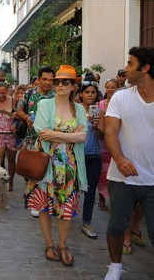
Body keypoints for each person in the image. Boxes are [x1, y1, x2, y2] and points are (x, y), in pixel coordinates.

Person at [27, 65, 87, 266]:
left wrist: (57, 134)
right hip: (47, 164)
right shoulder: (45, 104)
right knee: (44, 206)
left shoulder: (78, 109)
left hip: (69, 166)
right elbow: (41, 131)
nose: (60, 85)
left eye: (65, 82)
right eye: (57, 81)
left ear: (73, 86)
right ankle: (49, 244)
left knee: (66, 207)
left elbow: (83, 136)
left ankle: (62, 244)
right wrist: (71, 136)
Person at [104, 46, 154, 280]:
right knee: (116, 226)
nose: (125, 69)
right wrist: (120, 159)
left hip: (152, 180)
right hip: (121, 177)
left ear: (145, 69)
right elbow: (110, 132)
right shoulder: (121, 97)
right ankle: (115, 267)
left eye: (130, 64)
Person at [17, 66, 55, 217]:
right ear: (38, 80)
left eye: (50, 80)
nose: (47, 83)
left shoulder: (55, 95)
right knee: (33, 170)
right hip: (32, 138)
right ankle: (35, 201)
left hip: (50, 139)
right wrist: (26, 118)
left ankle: (46, 200)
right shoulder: (30, 93)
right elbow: (19, 110)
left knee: (47, 171)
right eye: (44, 79)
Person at [79, 76, 104, 239]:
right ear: (81, 94)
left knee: (91, 191)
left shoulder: (99, 111)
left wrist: (96, 126)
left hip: (94, 155)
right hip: (77, 155)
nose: (90, 95)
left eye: (93, 92)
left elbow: (102, 136)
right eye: (87, 92)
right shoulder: (75, 109)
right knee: (72, 188)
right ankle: (64, 213)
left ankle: (86, 222)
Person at [97, 78, 120, 211]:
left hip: (116, 142)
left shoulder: (120, 104)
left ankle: (112, 198)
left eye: (113, 87)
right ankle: (101, 198)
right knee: (102, 172)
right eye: (108, 87)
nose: (110, 89)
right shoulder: (100, 104)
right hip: (102, 142)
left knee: (113, 172)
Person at [0, 78, 17, 191]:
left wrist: (16, 117)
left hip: (11, 136)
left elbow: (20, 113)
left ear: (7, 91)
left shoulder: (13, 100)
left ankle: (10, 181)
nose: (1, 95)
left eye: (3, 93)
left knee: (11, 160)